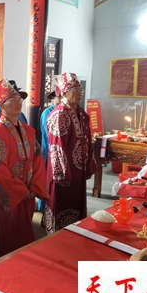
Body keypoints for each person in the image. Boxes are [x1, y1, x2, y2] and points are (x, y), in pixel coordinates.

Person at [0, 80, 48, 261]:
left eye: (19, 99)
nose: (18, 103)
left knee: (24, 232)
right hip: (9, 196)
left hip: (28, 193)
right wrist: (20, 191)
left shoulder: (28, 131)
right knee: (6, 233)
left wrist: (33, 187)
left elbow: (38, 158)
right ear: (1, 104)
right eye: (12, 99)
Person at [43, 72, 96, 234]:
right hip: (63, 171)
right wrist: (62, 173)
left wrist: (88, 163)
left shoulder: (82, 114)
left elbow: (87, 141)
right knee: (61, 200)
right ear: (64, 93)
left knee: (77, 200)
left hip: (78, 169)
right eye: (75, 91)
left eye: (80, 91)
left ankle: (75, 231)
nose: (79, 94)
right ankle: (56, 234)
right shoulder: (59, 114)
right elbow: (57, 146)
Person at [38, 90, 62, 212]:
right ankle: (43, 206)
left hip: (60, 153)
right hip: (49, 151)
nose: (61, 99)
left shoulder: (64, 112)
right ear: (53, 98)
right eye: (59, 97)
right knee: (46, 180)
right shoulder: (47, 113)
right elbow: (49, 135)